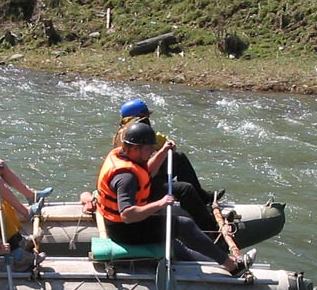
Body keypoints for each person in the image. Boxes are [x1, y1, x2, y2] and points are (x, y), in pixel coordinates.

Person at [97, 122, 254, 273]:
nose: (152, 150)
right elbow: (127, 215)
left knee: (177, 242)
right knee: (183, 225)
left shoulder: (124, 155)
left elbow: (147, 173)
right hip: (126, 231)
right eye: (149, 148)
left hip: (124, 225)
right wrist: (160, 203)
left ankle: (220, 260)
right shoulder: (126, 177)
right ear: (136, 148)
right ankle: (232, 266)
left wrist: (163, 151)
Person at [113, 98, 223, 234]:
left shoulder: (131, 131)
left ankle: (201, 197)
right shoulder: (133, 135)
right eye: (146, 116)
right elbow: (144, 171)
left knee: (179, 158)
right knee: (185, 189)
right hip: (140, 186)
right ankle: (210, 228)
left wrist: (164, 148)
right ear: (140, 117)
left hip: (146, 175)